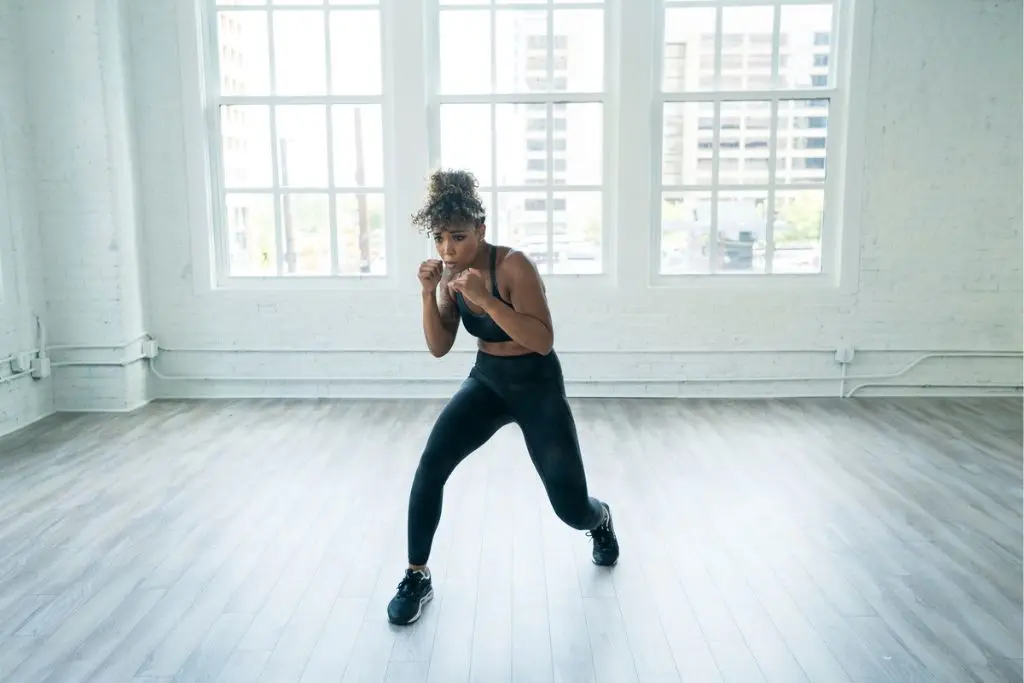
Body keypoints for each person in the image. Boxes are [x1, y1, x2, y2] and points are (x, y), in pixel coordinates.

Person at [386, 168, 619, 626]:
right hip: (488, 381)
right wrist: (428, 294)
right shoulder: (449, 276)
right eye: (440, 238)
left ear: (481, 230)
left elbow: (542, 340)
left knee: (571, 508)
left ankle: (601, 519)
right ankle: (416, 575)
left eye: (458, 237)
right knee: (431, 465)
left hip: (537, 385)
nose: (448, 249)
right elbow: (439, 347)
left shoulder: (513, 266)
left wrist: (488, 300)